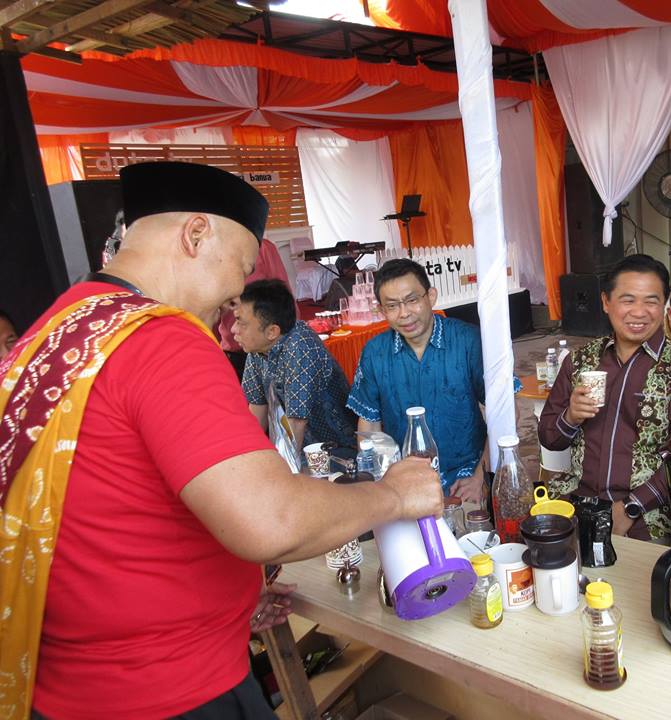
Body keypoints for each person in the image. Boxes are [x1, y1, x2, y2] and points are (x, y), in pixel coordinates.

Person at [0, 161, 442, 719]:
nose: (232, 308)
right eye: (239, 275)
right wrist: (394, 496)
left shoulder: (55, 331)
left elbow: (114, 514)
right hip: (167, 690)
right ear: (196, 235)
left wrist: (228, 601)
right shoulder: (160, 338)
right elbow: (272, 520)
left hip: (67, 688)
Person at [537, 254, 671, 540]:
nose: (639, 312)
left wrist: (631, 508)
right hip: (577, 499)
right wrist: (570, 417)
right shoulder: (580, 360)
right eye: (628, 300)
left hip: (646, 513)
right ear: (606, 302)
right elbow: (550, 438)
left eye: (651, 301)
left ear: (665, 305)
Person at [347, 258, 488, 502]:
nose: (404, 314)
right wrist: (381, 486)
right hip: (404, 485)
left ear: (430, 296)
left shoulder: (468, 341)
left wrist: (481, 477)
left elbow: (506, 411)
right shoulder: (375, 353)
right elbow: (369, 426)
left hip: (466, 478)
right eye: (392, 306)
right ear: (381, 310)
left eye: (412, 300)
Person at [234, 278, 356, 461]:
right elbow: (256, 408)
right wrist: (245, 459)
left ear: (272, 331)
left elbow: (296, 422)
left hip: (337, 451)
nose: (233, 329)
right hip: (299, 449)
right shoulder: (258, 348)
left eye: (241, 323)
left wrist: (284, 472)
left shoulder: (300, 345)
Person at [218, 237, 292, 381]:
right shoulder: (210, 252)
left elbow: (284, 297)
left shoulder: (263, 248)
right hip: (231, 350)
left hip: (266, 347)